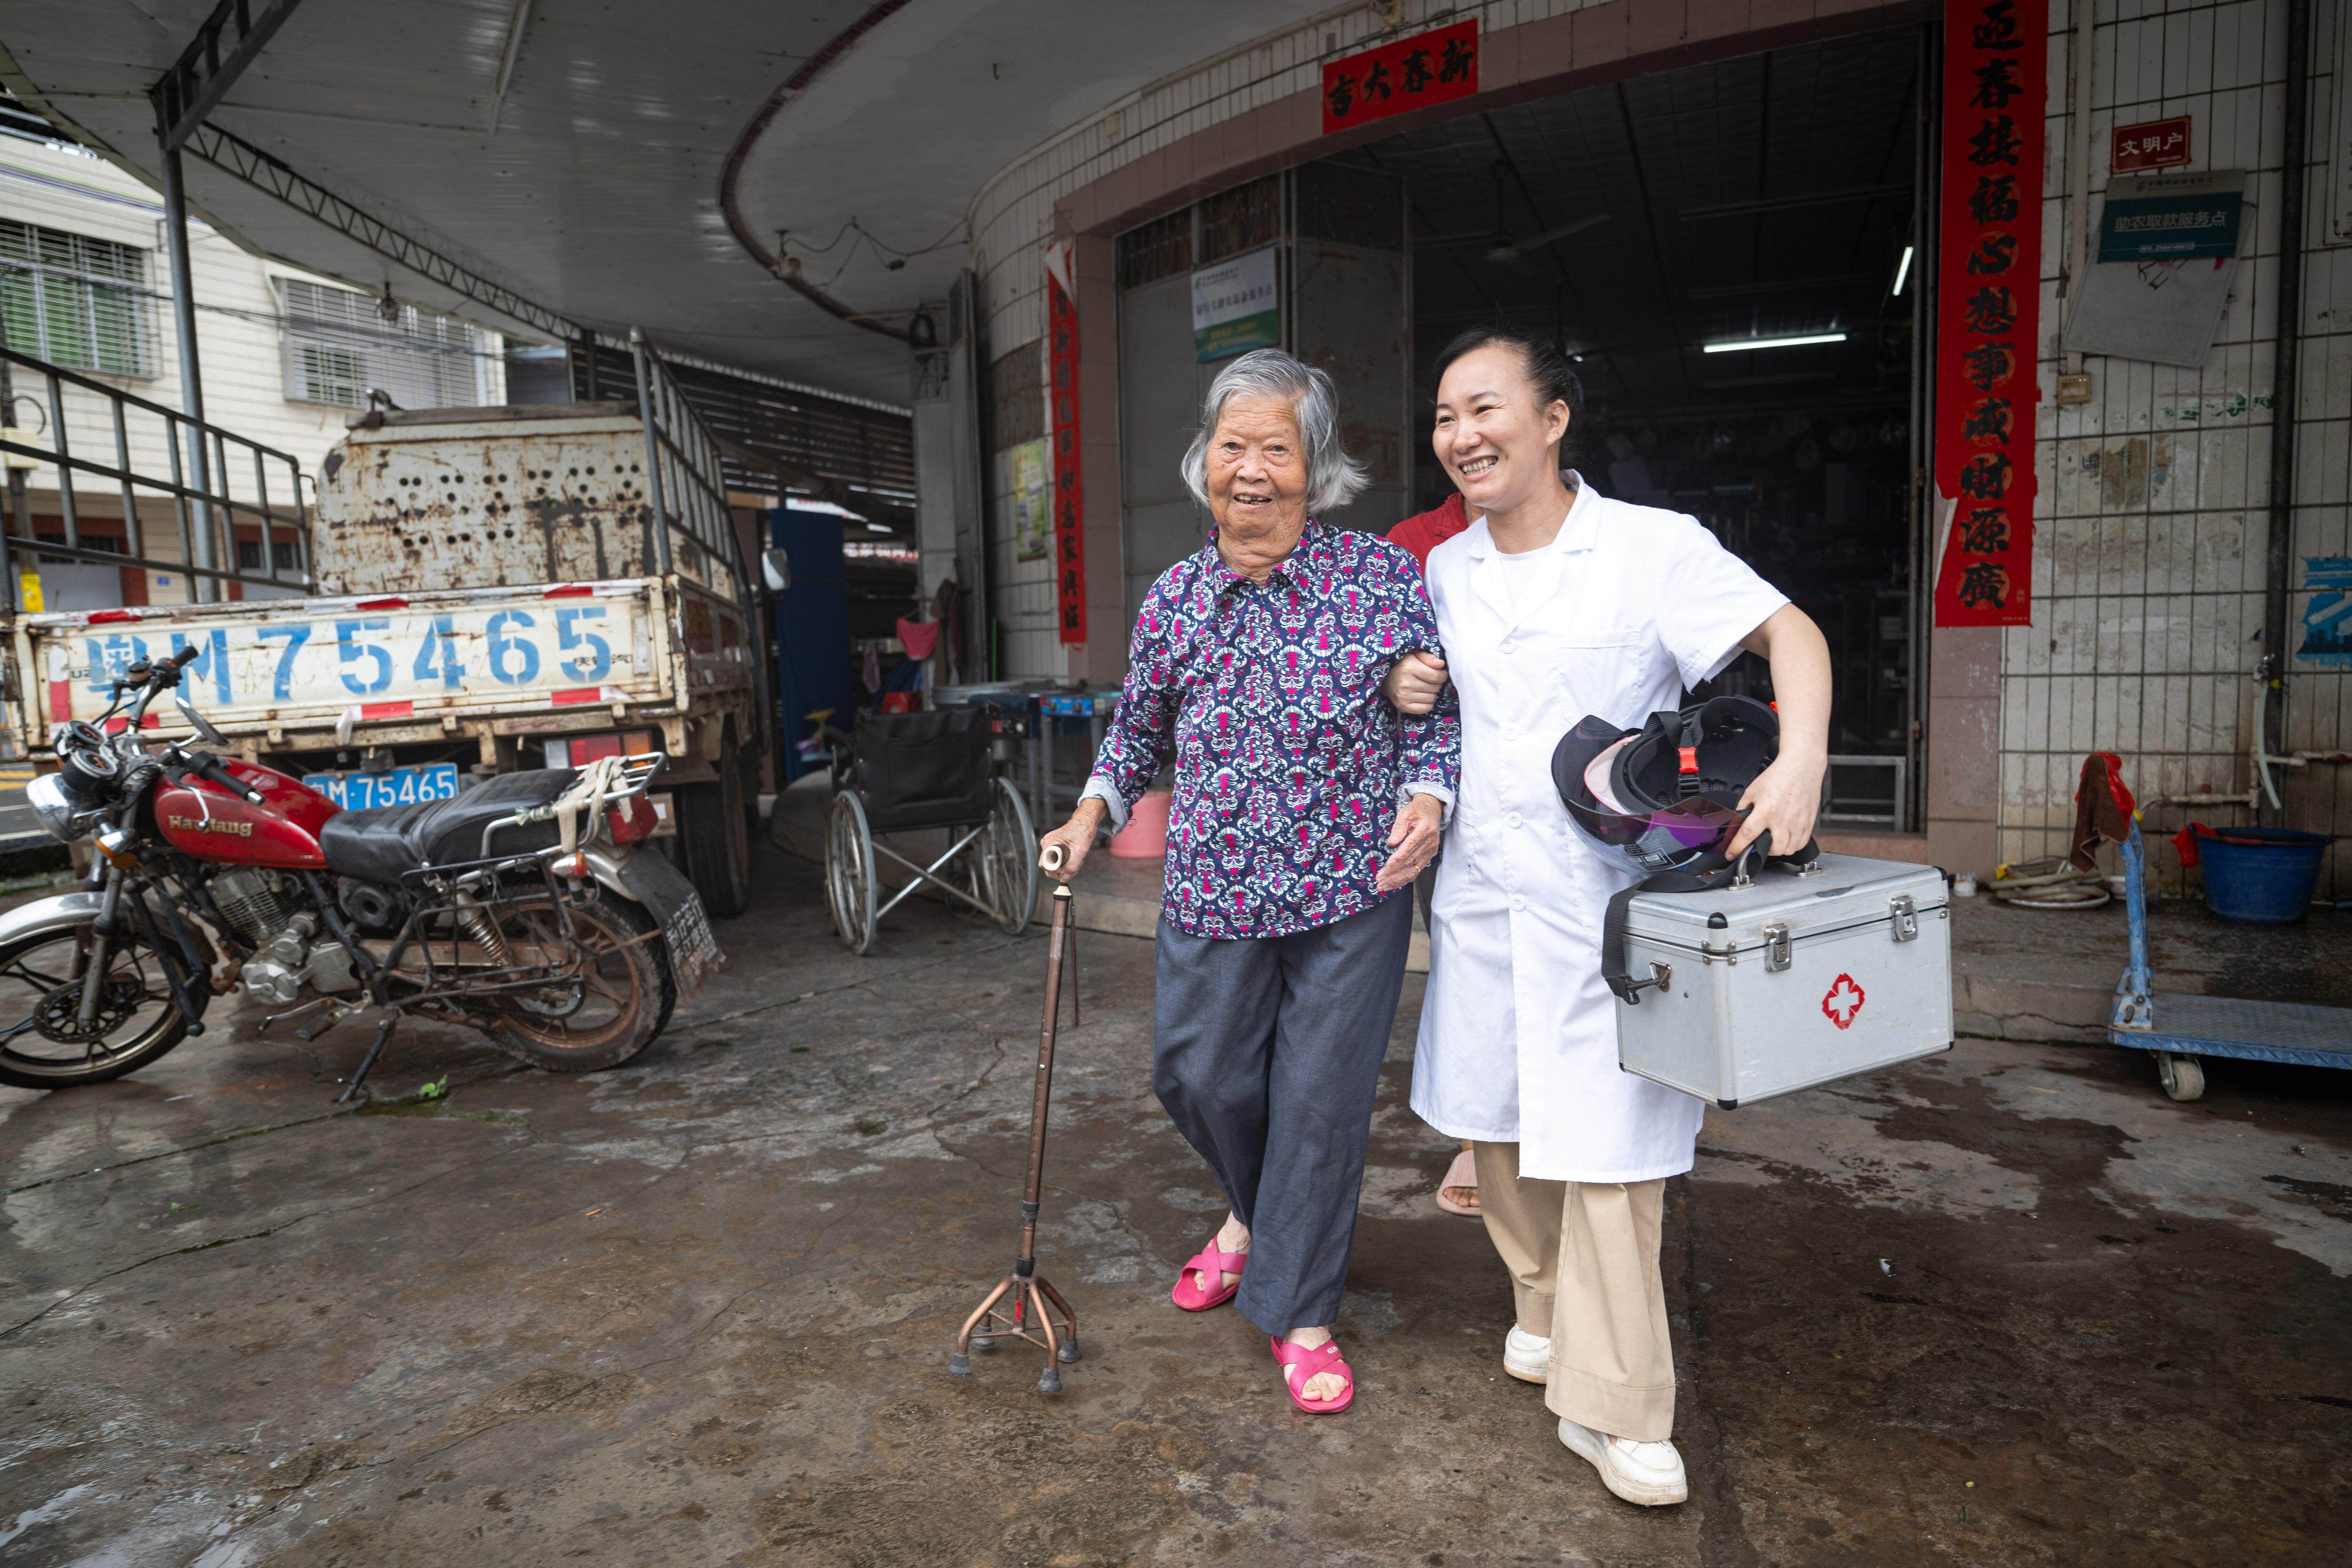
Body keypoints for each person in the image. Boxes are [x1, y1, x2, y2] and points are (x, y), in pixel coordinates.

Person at [1384, 327, 1830, 1505]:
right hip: (1482, 895)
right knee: (1495, 1126)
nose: (1461, 435)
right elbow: (1430, 712)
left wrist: (1799, 759)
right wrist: (1404, 684)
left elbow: (1791, 631)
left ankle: (1620, 1404)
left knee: (1614, 1158)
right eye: (1445, 416)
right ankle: (1540, 1308)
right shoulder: (1444, 571)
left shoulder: (1649, 547)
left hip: (1611, 907)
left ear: (1552, 418)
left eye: (1484, 408)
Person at [1037, 348, 1460, 1415]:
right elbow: (1136, 731)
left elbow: (1439, 714)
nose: (1253, 469)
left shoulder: (1378, 580)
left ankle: (1300, 1313)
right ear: (1205, 460)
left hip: (1351, 885)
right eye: (1234, 445)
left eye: (1277, 447)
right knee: (1199, 1076)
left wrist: (1428, 795)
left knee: (1319, 1101)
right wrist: (1089, 811)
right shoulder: (1176, 598)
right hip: (1216, 882)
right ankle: (1253, 1214)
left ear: (1315, 466)